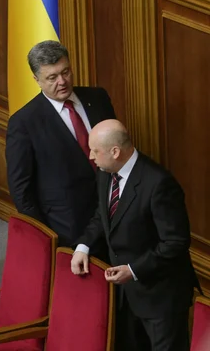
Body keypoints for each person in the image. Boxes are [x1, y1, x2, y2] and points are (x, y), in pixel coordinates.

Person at [71, 119, 198, 351]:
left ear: (115, 152)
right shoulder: (105, 172)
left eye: (95, 151)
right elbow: (103, 215)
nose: (91, 156)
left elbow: (175, 242)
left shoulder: (159, 184)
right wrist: (83, 246)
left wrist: (133, 270)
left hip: (160, 296)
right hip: (125, 295)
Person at [5, 40, 116, 250]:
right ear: (36, 79)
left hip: (113, 209)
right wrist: (44, 236)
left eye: (66, 72)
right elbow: (21, 189)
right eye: (52, 77)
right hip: (68, 226)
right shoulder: (24, 122)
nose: (62, 81)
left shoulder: (98, 98)